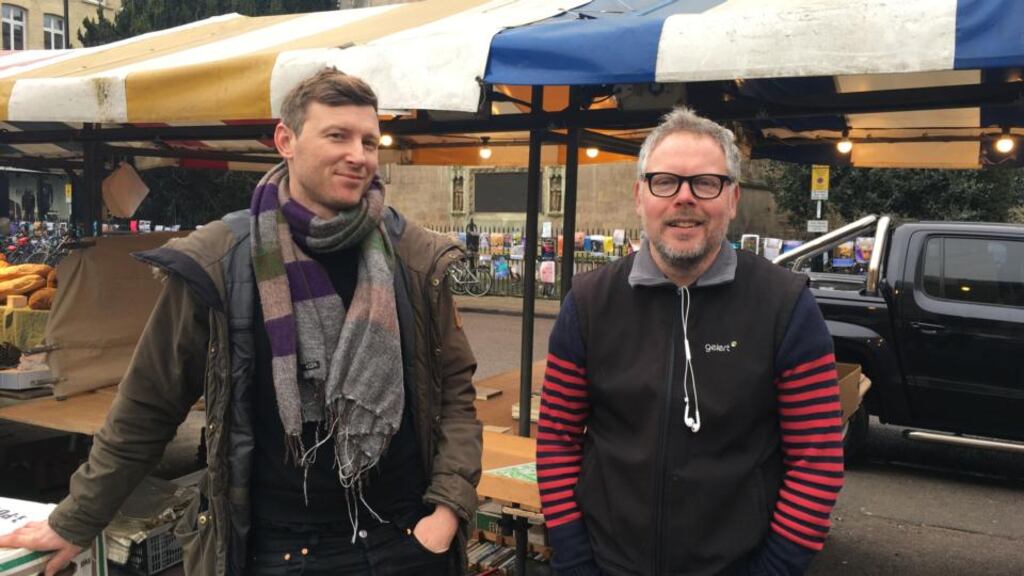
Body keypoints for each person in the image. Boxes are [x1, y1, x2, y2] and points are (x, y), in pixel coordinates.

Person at [0, 69, 482, 576]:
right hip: (283, 550)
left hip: (407, 541)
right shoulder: (222, 260)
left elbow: (454, 390)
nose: (358, 155)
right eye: (336, 135)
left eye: (369, 140)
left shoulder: (413, 257)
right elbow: (148, 405)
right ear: (286, 140)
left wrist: (447, 510)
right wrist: (77, 520)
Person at [537, 107, 844, 575]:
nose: (684, 199)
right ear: (640, 196)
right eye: (665, 182)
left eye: (705, 183)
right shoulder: (588, 302)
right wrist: (576, 561)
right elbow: (557, 441)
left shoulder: (785, 306)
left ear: (733, 198)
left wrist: (773, 569)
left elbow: (816, 460)